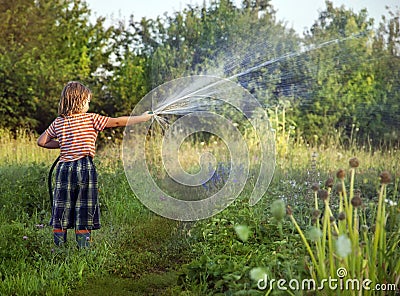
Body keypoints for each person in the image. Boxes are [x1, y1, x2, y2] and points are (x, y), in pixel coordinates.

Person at [37, 81, 153, 248]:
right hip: (84, 168)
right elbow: (118, 122)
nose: (88, 104)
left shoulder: (58, 122)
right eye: (88, 101)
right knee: (84, 206)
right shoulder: (92, 118)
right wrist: (143, 118)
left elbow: (41, 141)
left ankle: (59, 248)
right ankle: (83, 248)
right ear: (79, 101)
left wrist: (62, 144)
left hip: (64, 169)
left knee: (62, 205)